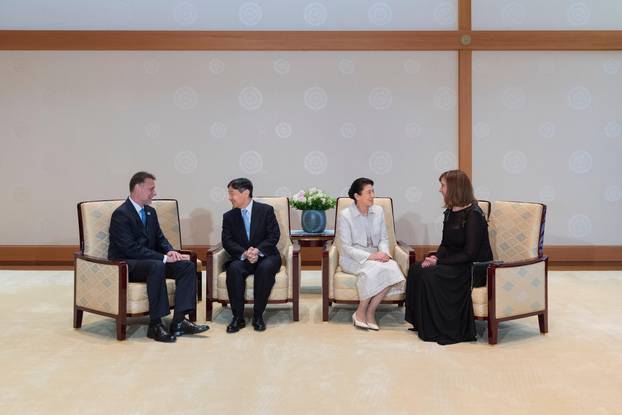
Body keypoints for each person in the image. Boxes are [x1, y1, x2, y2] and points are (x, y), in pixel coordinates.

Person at [108, 171, 208, 343]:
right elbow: (130, 249)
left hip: (150, 262)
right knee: (157, 266)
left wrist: (169, 251)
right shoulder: (121, 214)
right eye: (151, 189)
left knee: (187, 266)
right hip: (126, 264)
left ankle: (179, 322)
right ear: (137, 188)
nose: (154, 193)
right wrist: (162, 258)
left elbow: (160, 238)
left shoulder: (150, 212)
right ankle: (155, 325)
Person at [404, 169, 493, 345]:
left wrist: (439, 261)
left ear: (454, 188)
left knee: (430, 274)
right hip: (454, 262)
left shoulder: (474, 215)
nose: (440, 189)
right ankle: (424, 324)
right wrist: (435, 257)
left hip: (473, 267)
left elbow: (470, 253)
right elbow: (445, 245)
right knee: (417, 269)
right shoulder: (451, 212)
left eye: (443, 185)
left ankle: (441, 328)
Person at [337, 178, 404, 331]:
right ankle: (360, 312)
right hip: (353, 258)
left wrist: (384, 253)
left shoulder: (378, 211)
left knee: (392, 268)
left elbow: (383, 238)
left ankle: (370, 311)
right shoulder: (345, 215)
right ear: (357, 196)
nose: (373, 195)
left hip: (377, 255)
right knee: (371, 271)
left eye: (373, 191)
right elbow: (346, 247)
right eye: (369, 192)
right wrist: (371, 257)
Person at [221, 178, 281, 333]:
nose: (229, 197)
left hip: (266, 255)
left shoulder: (266, 210)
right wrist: (244, 253)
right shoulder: (229, 216)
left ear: (245, 193)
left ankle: (258, 315)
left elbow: (274, 236)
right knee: (234, 269)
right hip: (242, 257)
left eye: (231, 193)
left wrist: (257, 251)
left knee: (265, 269)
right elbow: (227, 241)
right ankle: (238, 317)